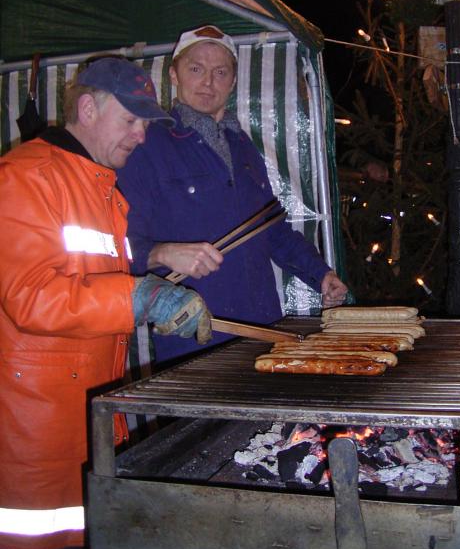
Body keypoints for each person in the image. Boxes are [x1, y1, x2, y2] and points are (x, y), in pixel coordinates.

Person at [0, 57, 212, 549]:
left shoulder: (100, 188)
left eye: (145, 123)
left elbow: (89, 273)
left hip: (85, 417)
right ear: (89, 107)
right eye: (132, 120)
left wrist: (153, 266)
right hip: (36, 434)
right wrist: (141, 297)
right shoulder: (24, 177)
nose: (141, 136)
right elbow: (30, 295)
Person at [117, 25, 348, 364]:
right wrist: (162, 253)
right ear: (174, 74)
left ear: (233, 81)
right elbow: (117, 247)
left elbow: (273, 230)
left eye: (220, 72)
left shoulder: (244, 149)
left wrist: (321, 274)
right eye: (196, 69)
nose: (208, 82)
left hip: (263, 332)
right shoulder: (147, 146)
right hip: (194, 343)